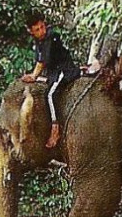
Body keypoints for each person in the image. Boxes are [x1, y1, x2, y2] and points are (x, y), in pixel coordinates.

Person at [20, 10, 82, 150]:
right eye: (37, 29)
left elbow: (42, 62)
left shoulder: (51, 36)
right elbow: (39, 60)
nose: (41, 31)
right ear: (31, 31)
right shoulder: (38, 41)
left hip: (64, 70)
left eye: (42, 27)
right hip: (53, 72)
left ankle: (55, 129)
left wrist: (34, 76)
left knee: (50, 95)